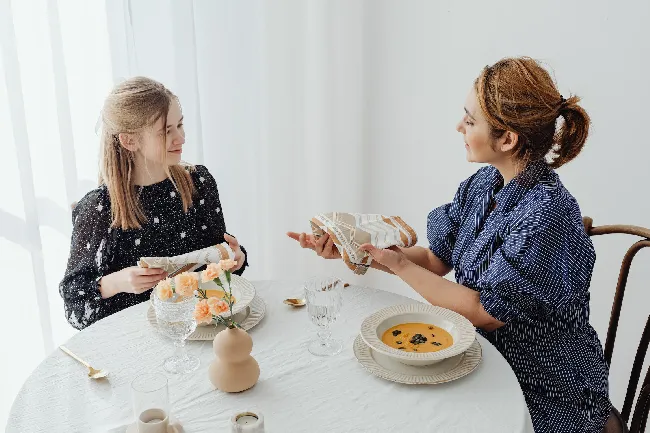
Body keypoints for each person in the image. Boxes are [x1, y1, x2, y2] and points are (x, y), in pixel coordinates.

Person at [288, 57, 612, 432]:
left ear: (507, 138)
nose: (458, 126)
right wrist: (359, 250)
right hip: (481, 357)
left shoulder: (546, 216)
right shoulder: (484, 184)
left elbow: (482, 311)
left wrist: (400, 267)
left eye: (470, 120)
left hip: (543, 385)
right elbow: (434, 259)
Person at [60, 77, 248, 330]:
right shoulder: (99, 208)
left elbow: (215, 269)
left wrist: (236, 258)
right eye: (166, 131)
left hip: (200, 332)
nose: (180, 138)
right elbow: (75, 306)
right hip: (134, 345)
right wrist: (117, 282)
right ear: (129, 141)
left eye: (180, 125)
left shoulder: (199, 183)